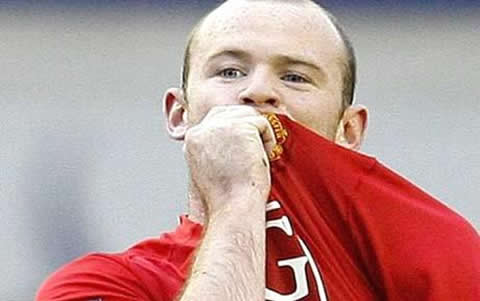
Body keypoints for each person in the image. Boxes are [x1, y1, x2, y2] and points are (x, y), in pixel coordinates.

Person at [36, 0, 479, 300]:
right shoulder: (100, 283)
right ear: (179, 116)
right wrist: (234, 199)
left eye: (295, 78)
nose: (258, 90)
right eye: (229, 71)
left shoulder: (417, 267)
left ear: (348, 131)